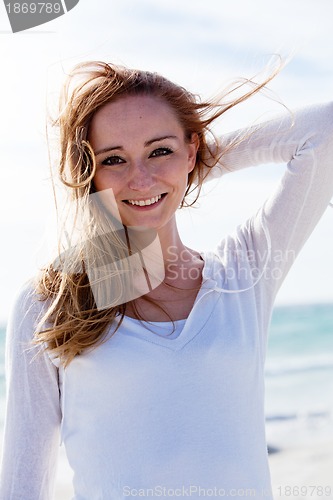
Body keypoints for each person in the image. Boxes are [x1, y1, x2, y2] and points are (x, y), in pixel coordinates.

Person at [0, 60, 332, 500]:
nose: (140, 177)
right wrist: (165, 171)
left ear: (192, 151)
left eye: (159, 151)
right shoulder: (52, 302)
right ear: (89, 172)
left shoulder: (243, 273)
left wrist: (185, 172)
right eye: (113, 159)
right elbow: (24, 481)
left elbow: (323, 132)